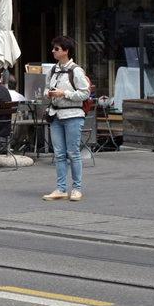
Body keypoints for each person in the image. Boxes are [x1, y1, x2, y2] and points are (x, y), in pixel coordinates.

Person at [43, 35, 91, 202]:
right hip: (56, 115)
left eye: (56, 49)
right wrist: (48, 94)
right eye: (53, 48)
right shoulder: (53, 70)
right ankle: (61, 189)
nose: (53, 51)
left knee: (73, 153)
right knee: (59, 154)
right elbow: (46, 88)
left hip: (73, 115)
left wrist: (64, 93)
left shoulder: (76, 71)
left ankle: (76, 189)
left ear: (66, 51)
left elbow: (85, 93)